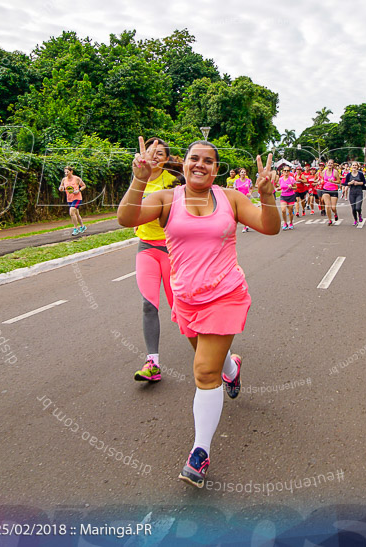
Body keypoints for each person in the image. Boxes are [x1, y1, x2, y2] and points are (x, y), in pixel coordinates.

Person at [117, 137, 280, 488]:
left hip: (226, 294)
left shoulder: (230, 199)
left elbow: (270, 226)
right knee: (213, 360)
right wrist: (140, 178)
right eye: (194, 158)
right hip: (186, 298)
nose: (200, 165)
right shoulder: (164, 199)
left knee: (204, 371)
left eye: (208, 161)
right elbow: (125, 218)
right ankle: (232, 368)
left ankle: (199, 454)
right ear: (184, 163)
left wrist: (267, 195)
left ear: (216, 169)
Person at [130, 139, 182, 382]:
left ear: (166, 158)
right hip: (146, 248)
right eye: (151, 152)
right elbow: (128, 209)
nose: (154, 156)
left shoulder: (174, 182)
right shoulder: (139, 179)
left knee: (181, 306)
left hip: (171, 250)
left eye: (160, 153)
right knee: (148, 304)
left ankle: (219, 356)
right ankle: (153, 362)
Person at [59, 167, 87, 235]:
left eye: (67, 172)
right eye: (65, 172)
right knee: (76, 214)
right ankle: (82, 227)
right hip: (69, 199)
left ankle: (75, 228)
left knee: (71, 212)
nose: (66, 174)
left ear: (71, 172)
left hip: (77, 198)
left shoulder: (76, 178)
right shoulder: (64, 180)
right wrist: (61, 188)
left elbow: (84, 185)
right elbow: (61, 187)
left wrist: (78, 190)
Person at [319, 160, 341, 225]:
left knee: (333, 207)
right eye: (329, 163)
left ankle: (335, 213)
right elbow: (322, 179)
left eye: (331, 163)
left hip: (334, 190)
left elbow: (339, 181)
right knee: (327, 206)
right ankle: (330, 220)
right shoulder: (323, 172)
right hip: (325, 190)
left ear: (333, 164)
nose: (330, 165)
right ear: (327, 164)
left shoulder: (335, 172)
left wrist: (333, 181)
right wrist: (320, 182)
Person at [233, 168, 253, 232]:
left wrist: (250, 193)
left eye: (244, 172)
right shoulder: (236, 181)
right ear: (239, 174)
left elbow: (251, 188)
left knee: (245, 212)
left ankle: (245, 226)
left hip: (246, 199)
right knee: (241, 213)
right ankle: (246, 224)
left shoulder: (249, 181)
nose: (243, 173)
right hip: (239, 199)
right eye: (242, 172)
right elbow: (235, 189)